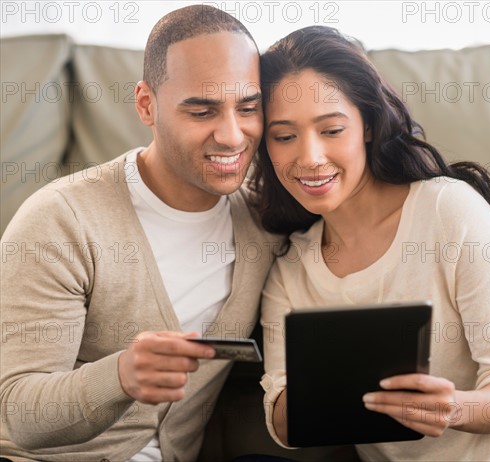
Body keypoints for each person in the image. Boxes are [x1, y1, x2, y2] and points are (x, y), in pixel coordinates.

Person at [251, 26, 490, 461]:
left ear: (368, 126)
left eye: (332, 130)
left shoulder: (448, 211)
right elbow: (281, 419)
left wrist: (452, 408)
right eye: (284, 137)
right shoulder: (290, 272)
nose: (310, 157)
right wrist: (320, 396)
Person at [0, 5, 281, 461]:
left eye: (248, 108)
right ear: (147, 104)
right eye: (202, 110)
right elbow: (19, 413)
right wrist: (122, 376)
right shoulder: (60, 220)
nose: (232, 136)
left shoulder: (265, 218)